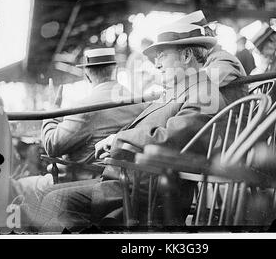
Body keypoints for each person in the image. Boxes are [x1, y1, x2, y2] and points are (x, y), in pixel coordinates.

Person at [28, 14, 229, 232]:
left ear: (187, 55)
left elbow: (170, 140)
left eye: (162, 55)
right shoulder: (181, 92)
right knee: (49, 197)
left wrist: (116, 140)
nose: (157, 63)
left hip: (144, 194)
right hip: (129, 182)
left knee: (53, 202)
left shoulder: (204, 94)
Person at [41, 48, 148, 181]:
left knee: (31, 186)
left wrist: (52, 110)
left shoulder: (84, 107)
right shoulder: (138, 101)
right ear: (115, 69)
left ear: (87, 74)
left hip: (87, 180)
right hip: (125, 178)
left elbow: (52, 145)